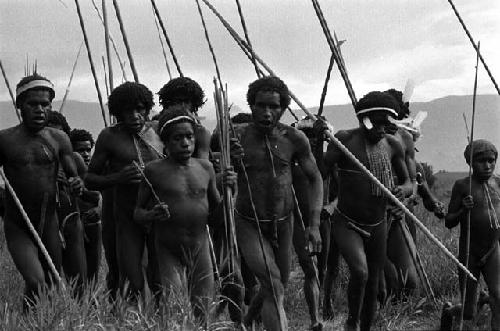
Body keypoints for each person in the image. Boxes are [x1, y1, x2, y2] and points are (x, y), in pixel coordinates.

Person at [231, 76, 323, 331]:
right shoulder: (236, 137)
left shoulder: (293, 139)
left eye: (274, 107)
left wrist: (313, 224)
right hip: (249, 222)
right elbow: (210, 168)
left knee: (278, 280)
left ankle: (247, 322)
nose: (267, 112)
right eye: (261, 105)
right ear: (251, 106)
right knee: (273, 284)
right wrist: (226, 161)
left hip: (284, 223)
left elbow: (315, 178)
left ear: (283, 108)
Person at [134, 109, 236, 323]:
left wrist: (230, 194)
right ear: (166, 142)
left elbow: (215, 218)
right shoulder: (153, 171)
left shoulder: (205, 168)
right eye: (177, 138)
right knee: (173, 307)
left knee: (204, 307)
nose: (185, 143)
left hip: (200, 248)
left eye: (189, 136)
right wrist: (152, 214)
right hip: (168, 250)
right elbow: (138, 214)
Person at [324, 91, 412, 331]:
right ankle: (351, 321)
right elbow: (320, 170)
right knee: (361, 273)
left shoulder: (393, 144)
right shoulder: (344, 140)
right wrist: (318, 139)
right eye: (379, 122)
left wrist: (403, 191)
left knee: (374, 281)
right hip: (347, 222)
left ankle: (365, 327)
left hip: (377, 224)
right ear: (365, 119)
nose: (383, 128)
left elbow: (408, 182)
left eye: (388, 123)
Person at [0, 73, 83, 308]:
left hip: (48, 222)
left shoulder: (59, 139)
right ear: (19, 106)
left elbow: (73, 175)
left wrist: (77, 184)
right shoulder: (5, 140)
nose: (39, 110)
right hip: (19, 225)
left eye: (45, 104)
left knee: (48, 282)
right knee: (37, 282)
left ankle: (29, 321)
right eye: (32, 104)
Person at [85, 82, 163, 300]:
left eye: (140, 109)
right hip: (126, 216)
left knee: (159, 279)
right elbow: (89, 179)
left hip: (158, 216)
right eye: (128, 111)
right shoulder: (109, 136)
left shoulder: (159, 132)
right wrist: (118, 177)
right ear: (118, 113)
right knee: (132, 279)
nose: (135, 116)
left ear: (148, 109)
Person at [440, 140, 500, 331]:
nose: (488, 165)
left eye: (492, 160)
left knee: (499, 296)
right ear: (471, 163)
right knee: (468, 313)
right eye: (482, 161)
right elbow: (449, 221)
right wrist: (463, 210)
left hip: (493, 250)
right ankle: (449, 311)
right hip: (470, 253)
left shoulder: (498, 184)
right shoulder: (462, 186)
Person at [291, 115, 331, 331]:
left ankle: (322, 307)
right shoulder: (290, 162)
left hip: (322, 221)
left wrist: (330, 208)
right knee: (310, 268)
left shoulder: (325, 160)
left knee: (321, 270)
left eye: (315, 137)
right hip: (298, 221)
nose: (312, 141)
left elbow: (324, 177)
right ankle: (314, 318)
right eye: (308, 136)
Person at [46, 111, 88, 287]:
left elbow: (91, 193)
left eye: (59, 135)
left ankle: (81, 312)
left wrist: (76, 186)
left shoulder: (74, 159)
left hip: (70, 219)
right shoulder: (32, 161)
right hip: (45, 222)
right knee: (46, 279)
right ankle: (42, 313)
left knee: (79, 279)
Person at [70, 129, 102, 283]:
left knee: (93, 270)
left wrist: (99, 209)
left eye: (88, 150)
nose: (86, 154)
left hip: (93, 223)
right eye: (80, 150)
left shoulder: (99, 171)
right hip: (74, 223)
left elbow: (104, 197)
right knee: (76, 273)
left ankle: (91, 301)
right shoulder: (68, 173)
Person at [158, 77, 211, 159]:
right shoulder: (157, 127)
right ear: (169, 103)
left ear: (193, 104)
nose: (182, 106)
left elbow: (203, 165)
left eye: (186, 102)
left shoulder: (201, 132)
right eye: (178, 101)